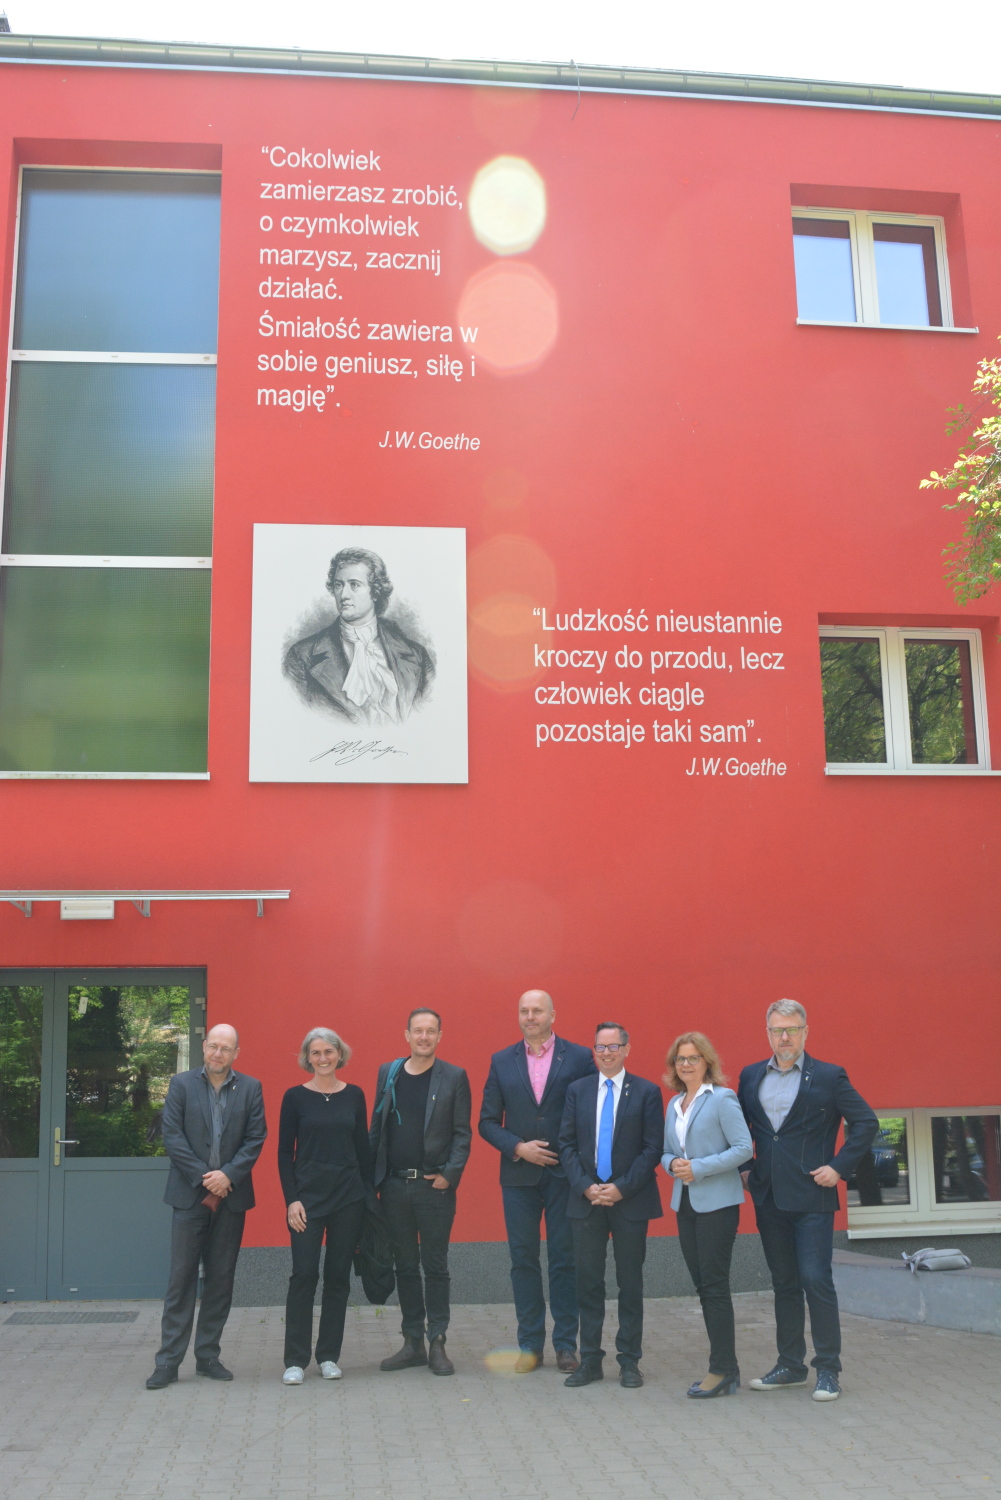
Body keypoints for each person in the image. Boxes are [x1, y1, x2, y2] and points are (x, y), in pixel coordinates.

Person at [737, 999, 878, 1402]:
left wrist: (839, 1167)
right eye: (777, 1030)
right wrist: (746, 1167)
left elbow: (865, 1121)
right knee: (784, 1283)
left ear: (806, 1032)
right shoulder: (750, 1077)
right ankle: (790, 1365)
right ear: (767, 1033)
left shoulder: (830, 1077)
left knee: (816, 1281)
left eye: (792, 1030)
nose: (785, 1037)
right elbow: (736, 1126)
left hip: (813, 1196)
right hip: (768, 1197)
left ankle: (828, 1370)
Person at [478, 989, 596, 1374]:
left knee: (565, 1260)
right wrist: (517, 1148)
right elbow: (487, 1122)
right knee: (523, 1260)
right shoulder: (501, 1061)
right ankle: (529, 1344)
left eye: (537, 1010)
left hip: (565, 1176)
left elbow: (591, 1112)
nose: (530, 1016)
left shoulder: (578, 1057)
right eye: (524, 1011)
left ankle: (566, 1345)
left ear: (552, 1015)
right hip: (518, 1176)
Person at [146, 1024, 267, 1389]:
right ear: (204, 1047)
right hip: (189, 1196)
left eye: (226, 1048)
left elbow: (255, 1137)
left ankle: (208, 1356)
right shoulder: (181, 1085)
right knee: (181, 1280)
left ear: (236, 1053)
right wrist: (205, 1177)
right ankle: (168, 1362)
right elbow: (173, 1136)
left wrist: (228, 1175)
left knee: (220, 1280)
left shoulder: (250, 1088)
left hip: (231, 1199)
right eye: (213, 1046)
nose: (218, 1053)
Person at [558, 1022, 664, 1389]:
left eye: (613, 1046)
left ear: (627, 1049)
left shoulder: (647, 1092)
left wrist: (620, 1188)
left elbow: (652, 1149)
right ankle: (590, 1360)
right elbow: (565, 1144)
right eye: (600, 1047)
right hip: (585, 1201)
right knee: (587, 1283)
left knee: (629, 1283)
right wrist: (586, 1187)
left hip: (629, 1202)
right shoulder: (577, 1090)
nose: (606, 1053)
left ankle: (629, 1361)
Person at [370, 1008, 471, 1376]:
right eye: (418, 1031)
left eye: (431, 1031)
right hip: (394, 1186)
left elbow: (463, 1133)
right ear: (407, 1035)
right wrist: (373, 1180)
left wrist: (450, 1174)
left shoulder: (454, 1077)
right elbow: (376, 1127)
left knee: (435, 1266)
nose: (424, 1037)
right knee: (405, 1266)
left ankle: (437, 1342)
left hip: (434, 1188)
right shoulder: (389, 1072)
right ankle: (411, 1341)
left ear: (440, 1036)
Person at [278, 1027, 372, 1386]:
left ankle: (329, 1355)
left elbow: (363, 1149)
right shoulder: (294, 1098)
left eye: (328, 1052)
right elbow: (285, 1153)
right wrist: (292, 1200)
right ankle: (295, 1360)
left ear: (339, 1054)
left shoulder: (355, 1095)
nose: (322, 1058)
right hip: (307, 1201)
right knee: (303, 1275)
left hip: (348, 1198)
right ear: (307, 1057)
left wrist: (367, 1199)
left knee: (337, 1277)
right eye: (315, 1053)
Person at [662, 1031, 753, 1399]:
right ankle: (725, 1366)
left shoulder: (722, 1099)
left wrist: (698, 1168)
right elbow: (666, 1151)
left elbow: (743, 1148)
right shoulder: (674, 1104)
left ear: (707, 1062)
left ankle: (722, 1370)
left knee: (714, 1286)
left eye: (693, 1058)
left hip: (718, 1205)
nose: (686, 1064)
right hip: (684, 1205)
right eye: (680, 1059)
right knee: (703, 1286)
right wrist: (673, 1164)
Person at [283, 546, 434, 725]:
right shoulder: (302, 656)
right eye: (339, 585)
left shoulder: (416, 655)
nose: (343, 594)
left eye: (354, 585)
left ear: (375, 591)